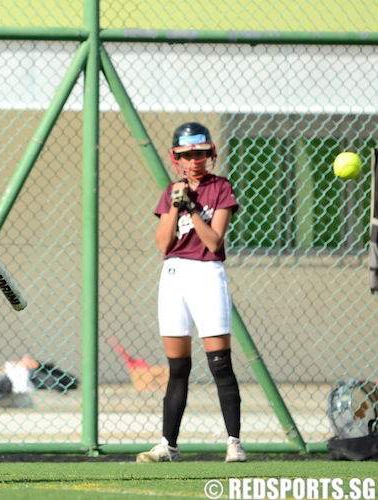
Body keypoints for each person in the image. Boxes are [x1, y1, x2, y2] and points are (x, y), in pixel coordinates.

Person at [137, 122, 246, 464]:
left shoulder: (220, 188)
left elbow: (214, 242)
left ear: (210, 153)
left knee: (220, 364)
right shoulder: (171, 191)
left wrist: (193, 209)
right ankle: (168, 445)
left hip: (207, 274)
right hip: (174, 275)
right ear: (176, 158)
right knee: (178, 367)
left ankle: (234, 443)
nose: (194, 160)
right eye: (186, 155)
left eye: (199, 153)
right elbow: (162, 243)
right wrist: (175, 205)